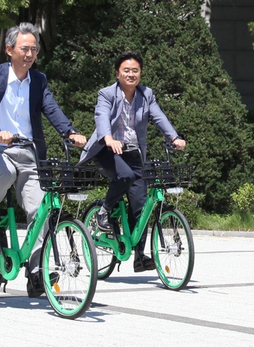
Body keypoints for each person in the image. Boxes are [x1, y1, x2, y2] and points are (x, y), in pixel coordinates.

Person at [0, 22, 86, 296]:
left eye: (34, 49)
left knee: (41, 211)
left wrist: (69, 131)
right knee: (5, 174)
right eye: (25, 48)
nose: (30, 54)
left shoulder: (39, 80)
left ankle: (36, 271)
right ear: (9, 49)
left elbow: (51, 107)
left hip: (29, 152)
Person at [79, 51, 186, 272]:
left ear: (140, 73)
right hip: (107, 151)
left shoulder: (146, 94)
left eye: (135, 70)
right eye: (126, 70)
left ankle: (139, 256)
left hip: (133, 153)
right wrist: (108, 138)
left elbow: (159, 117)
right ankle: (103, 212)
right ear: (118, 73)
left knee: (141, 206)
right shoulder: (107, 93)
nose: (131, 74)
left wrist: (174, 137)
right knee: (125, 176)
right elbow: (101, 116)